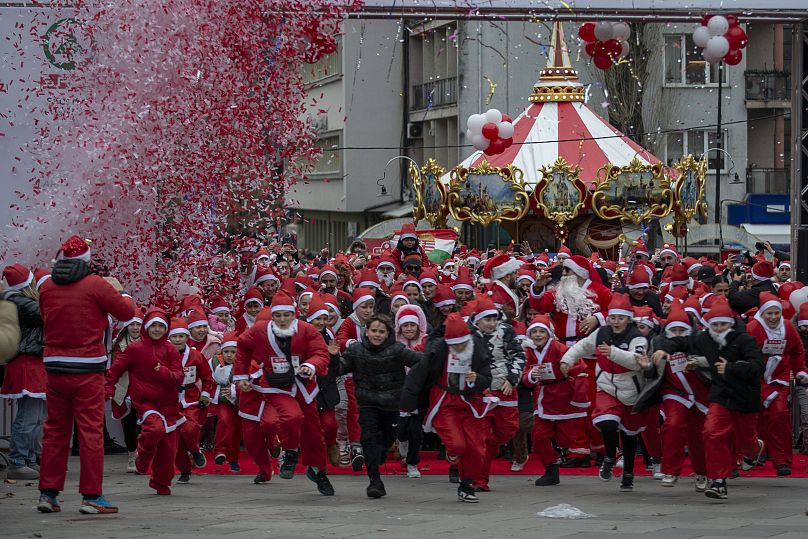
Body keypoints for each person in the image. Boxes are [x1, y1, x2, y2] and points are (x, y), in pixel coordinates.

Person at [37, 235, 135, 514]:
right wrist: (120, 292)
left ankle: (48, 494)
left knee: (55, 431)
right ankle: (92, 496)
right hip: (88, 368)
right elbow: (127, 312)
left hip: (55, 366)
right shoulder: (95, 285)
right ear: (86, 260)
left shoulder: (47, 286)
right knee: (90, 431)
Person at [652, 298, 765, 500]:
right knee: (711, 432)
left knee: (745, 441)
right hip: (720, 395)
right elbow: (683, 341)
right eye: (715, 324)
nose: (719, 328)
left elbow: (757, 366)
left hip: (745, 397)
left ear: (730, 324)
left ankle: (754, 449)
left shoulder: (744, 340)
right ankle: (718, 481)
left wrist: (730, 367)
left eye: (723, 324)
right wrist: (664, 348)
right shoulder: (705, 339)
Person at [233, 292, 335, 496]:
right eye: (277, 315)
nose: (282, 320)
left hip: (303, 385)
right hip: (276, 386)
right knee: (292, 416)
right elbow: (243, 347)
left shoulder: (306, 330)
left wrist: (310, 365)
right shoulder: (260, 330)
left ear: (294, 315)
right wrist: (241, 375)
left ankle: (319, 471)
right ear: (272, 315)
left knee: (314, 434)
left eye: (286, 315)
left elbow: (320, 353)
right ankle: (289, 452)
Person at [559, 293, 650, 492]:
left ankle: (628, 474)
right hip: (606, 385)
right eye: (613, 318)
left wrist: (614, 353)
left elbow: (637, 361)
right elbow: (583, 346)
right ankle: (609, 455)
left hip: (631, 389)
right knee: (606, 422)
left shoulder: (637, 337)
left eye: (621, 318)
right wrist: (567, 360)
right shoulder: (601, 333)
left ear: (628, 318)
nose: (616, 322)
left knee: (629, 435)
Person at [401, 312, 492, 503]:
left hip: (470, 402)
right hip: (445, 401)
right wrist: (408, 405)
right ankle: (453, 454)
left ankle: (466, 485)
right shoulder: (437, 350)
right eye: (455, 343)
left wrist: (478, 379)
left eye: (463, 342)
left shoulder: (477, 347)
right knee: (458, 444)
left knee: (477, 449)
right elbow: (417, 376)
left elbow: (486, 375)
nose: (459, 347)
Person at [339, 313, 423, 498]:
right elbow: (339, 368)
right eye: (374, 331)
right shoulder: (356, 350)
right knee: (368, 439)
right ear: (366, 332)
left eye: (381, 332)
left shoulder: (397, 349)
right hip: (367, 402)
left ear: (388, 334)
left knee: (385, 442)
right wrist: (331, 358)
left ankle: (379, 456)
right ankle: (374, 481)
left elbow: (421, 361)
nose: (377, 335)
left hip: (391, 404)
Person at [104, 309, 184, 495]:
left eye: (161, 326)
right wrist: (109, 389)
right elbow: (114, 371)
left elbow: (179, 377)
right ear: (146, 328)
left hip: (169, 403)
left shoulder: (170, 349)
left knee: (168, 449)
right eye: (153, 325)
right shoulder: (134, 349)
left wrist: (163, 372)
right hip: (145, 401)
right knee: (154, 430)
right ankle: (143, 456)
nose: (157, 329)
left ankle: (160, 482)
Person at [634, 303, 709, 491]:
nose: (677, 333)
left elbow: (713, 363)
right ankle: (670, 470)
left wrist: (697, 362)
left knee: (698, 435)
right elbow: (653, 372)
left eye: (681, 330)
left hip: (699, 393)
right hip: (674, 392)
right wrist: (647, 367)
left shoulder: (699, 341)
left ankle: (701, 472)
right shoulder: (658, 344)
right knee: (673, 425)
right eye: (673, 330)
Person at [521, 315, 587, 486]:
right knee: (538, 437)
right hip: (543, 397)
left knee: (566, 438)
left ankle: (560, 449)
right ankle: (551, 468)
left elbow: (578, 365)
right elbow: (524, 375)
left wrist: (568, 369)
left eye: (541, 331)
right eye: (534, 331)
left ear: (549, 333)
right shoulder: (528, 352)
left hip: (564, 396)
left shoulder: (560, 348)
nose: (537, 335)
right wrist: (530, 376)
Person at [745, 293, 807, 476]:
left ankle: (782, 461)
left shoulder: (787, 327)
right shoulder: (753, 329)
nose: (773, 317)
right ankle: (753, 454)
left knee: (779, 416)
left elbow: (797, 350)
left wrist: (800, 370)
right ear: (762, 314)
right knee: (754, 420)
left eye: (776, 313)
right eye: (769, 314)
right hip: (756, 382)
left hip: (778, 381)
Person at [469, 296, 526, 492]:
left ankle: (485, 459)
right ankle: (478, 479)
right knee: (482, 437)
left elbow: (518, 355)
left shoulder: (506, 331)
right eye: (487, 319)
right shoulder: (469, 335)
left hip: (504, 389)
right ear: (478, 320)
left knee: (506, 430)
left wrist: (512, 379)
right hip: (481, 391)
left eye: (494, 319)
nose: (492, 323)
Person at [1, 264, 46, 480]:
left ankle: (26, 459)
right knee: (28, 417)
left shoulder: (17, 301)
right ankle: (18, 461)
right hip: (27, 362)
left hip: (30, 360)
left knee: (34, 416)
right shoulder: (19, 301)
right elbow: (46, 314)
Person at [335, 287, 378, 471]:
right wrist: (353, 344)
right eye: (364, 307)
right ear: (356, 308)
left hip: (373, 373)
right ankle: (355, 444)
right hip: (354, 374)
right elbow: (341, 339)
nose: (368, 311)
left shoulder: (375, 322)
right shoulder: (350, 323)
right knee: (354, 410)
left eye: (371, 307)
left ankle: (368, 443)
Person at [167, 317, 212, 484]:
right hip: (170, 402)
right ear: (169, 338)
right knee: (176, 441)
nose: (178, 340)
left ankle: (195, 450)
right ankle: (185, 470)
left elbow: (208, 378)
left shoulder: (196, 356)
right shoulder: (163, 355)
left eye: (181, 336)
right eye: (174, 337)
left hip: (191, 400)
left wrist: (205, 394)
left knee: (189, 428)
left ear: (187, 337)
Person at [394, 304, 428, 478]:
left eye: (412, 325)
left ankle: (412, 463)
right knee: (402, 430)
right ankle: (403, 445)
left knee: (416, 430)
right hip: (398, 394)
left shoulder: (425, 341)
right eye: (405, 325)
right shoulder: (393, 344)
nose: (408, 329)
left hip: (418, 393)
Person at [109, 311, 144, 473]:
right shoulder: (118, 343)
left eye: (138, 324)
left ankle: (144, 456)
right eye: (132, 324)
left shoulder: (150, 341)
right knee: (129, 423)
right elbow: (116, 366)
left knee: (146, 423)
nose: (135, 328)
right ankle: (132, 454)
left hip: (145, 388)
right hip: (125, 388)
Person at [210, 334, 242, 472]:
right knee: (224, 421)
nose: (229, 355)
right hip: (223, 401)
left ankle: (233, 459)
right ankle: (220, 452)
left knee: (236, 429)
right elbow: (208, 379)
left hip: (241, 403)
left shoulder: (245, 364)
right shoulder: (214, 363)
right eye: (226, 352)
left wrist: (235, 391)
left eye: (233, 352)